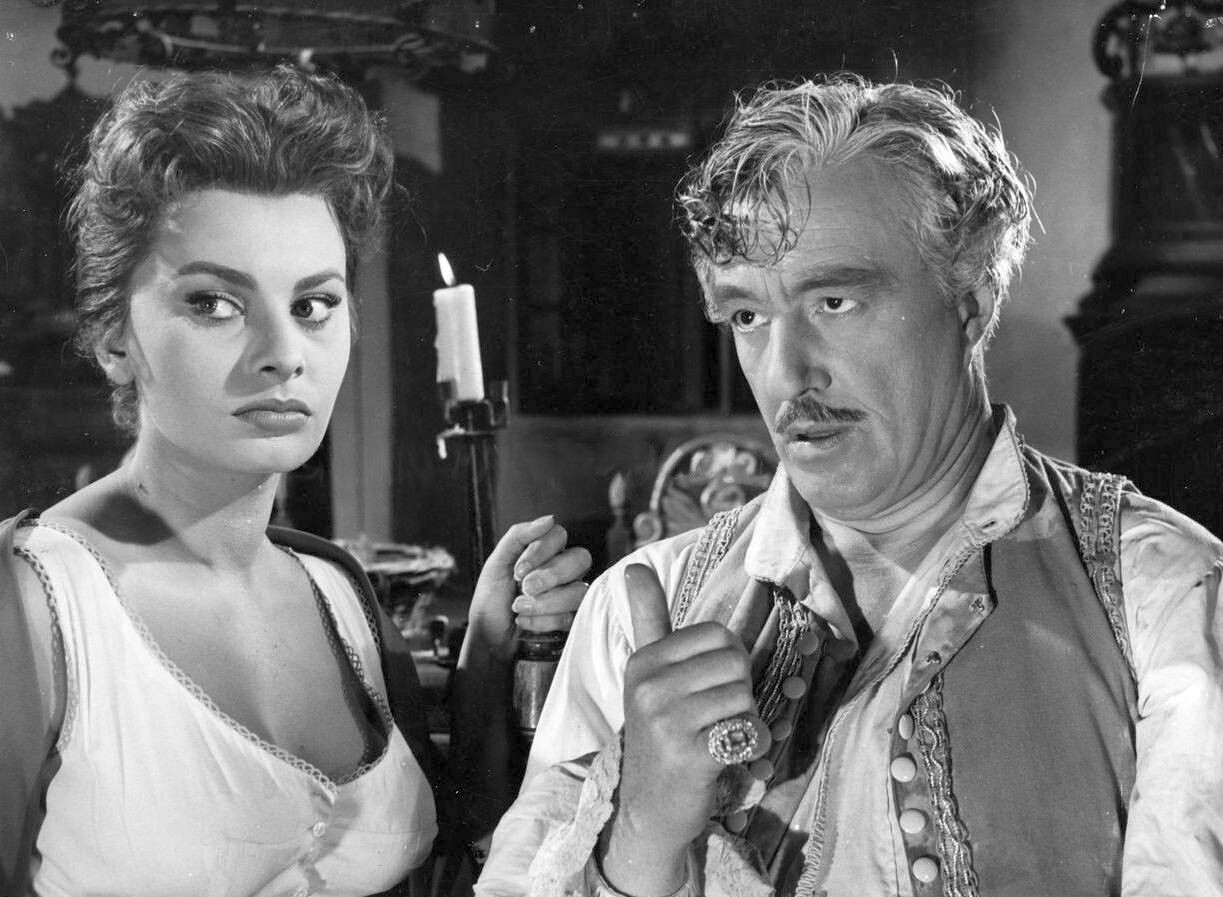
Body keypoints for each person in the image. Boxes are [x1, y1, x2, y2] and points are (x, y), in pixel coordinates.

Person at [475, 74, 1223, 897]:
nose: (785, 373)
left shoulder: (1159, 593)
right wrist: (642, 837)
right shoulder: (638, 605)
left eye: (833, 301)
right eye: (747, 317)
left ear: (969, 300)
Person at [0, 66, 591, 896]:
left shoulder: (339, 590)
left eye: (313, 304)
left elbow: (449, 849)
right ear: (112, 338)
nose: (283, 353)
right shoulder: (33, 600)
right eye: (213, 302)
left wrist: (488, 655)